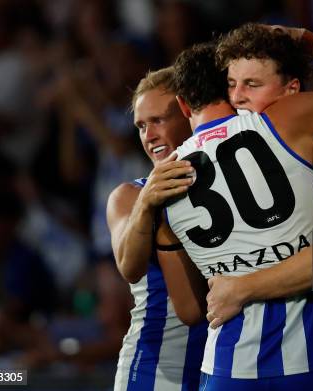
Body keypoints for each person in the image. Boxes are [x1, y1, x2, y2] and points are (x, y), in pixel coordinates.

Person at [154, 24, 313, 389]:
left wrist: (240, 287)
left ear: (293, 90)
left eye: (252, 85)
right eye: (231, 84)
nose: (238, 97)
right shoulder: (290, 137)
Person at [106, 67, 207, 391]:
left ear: (188, 112)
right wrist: (147, 203)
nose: (148, 136)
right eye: (140, 126)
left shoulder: (231, 181)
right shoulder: (129, 196)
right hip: (158, 372)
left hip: (231, 364)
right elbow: (128, 267)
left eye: (159, 120)